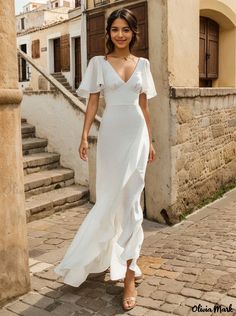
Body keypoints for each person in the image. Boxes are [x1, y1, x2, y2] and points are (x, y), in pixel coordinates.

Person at [54, 7, 157, 311]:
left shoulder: (143, 65)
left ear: (133, 33)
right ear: (108, 33)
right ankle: (105, 256)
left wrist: (150, 142)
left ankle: (127, 274)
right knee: (111, 200)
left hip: (137, 135)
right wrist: (85, 135)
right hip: (111, 136)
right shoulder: (98, 63)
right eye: (115, 29)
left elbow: (144, 107)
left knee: (132, 203)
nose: (120, 34)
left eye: (126, 29)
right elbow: (93, 102)